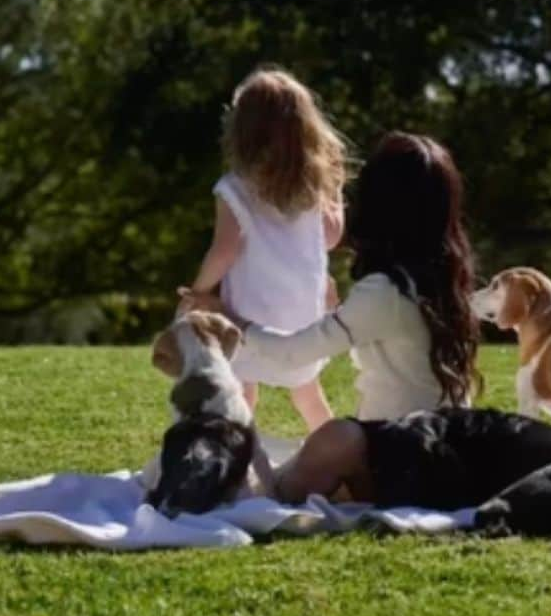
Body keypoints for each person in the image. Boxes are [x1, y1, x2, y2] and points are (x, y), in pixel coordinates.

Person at [181, 131, 482, 497]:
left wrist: (230, 317)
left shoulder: (386, 291)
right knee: (322, 442)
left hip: (400, 459)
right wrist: (338, 311)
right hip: (450, 452)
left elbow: (293, 352)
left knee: (328, 441)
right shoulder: (449, 282)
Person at [181, 67, 346, 431]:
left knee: (242, 391)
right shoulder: (311, 188)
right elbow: (331, 238)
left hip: (249, 313)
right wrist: (336, 193)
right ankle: (344, 461)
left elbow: (224, 250)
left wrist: (199, 291)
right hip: (303, 314)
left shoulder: (234, 188)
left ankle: (236, 460)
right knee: (308, 392)